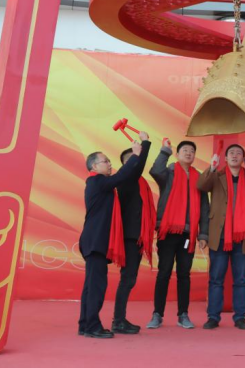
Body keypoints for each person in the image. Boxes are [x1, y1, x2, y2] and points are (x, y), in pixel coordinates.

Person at [77, 135, 147, 339]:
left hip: (94, 240)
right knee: (96, 286)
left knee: (91, 286)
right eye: (105, 161)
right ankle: (92, 326)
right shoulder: (97, 181)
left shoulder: (98, 183)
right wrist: (136, 155)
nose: (109, 164)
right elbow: (121, 176)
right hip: (96, 241)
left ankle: (85, 325)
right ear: (94, 166)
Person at [147, 139, 209, 330]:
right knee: (164, 273)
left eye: (192, 151)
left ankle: (183, 315)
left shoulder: (199, 178)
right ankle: (157, 314)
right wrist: (164, 151)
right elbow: (155, 170)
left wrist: (203, 234)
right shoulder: (168, 173)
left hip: (188, 234)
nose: (189, 153)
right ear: (177, 154)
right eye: (185, 150)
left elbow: (204, 208)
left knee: (184, 275)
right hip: (167, 231)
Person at [198, 144, 245, 330]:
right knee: (216, 279)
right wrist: (211, 167)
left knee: (240, 280)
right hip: (219, 235)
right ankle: (213, 317)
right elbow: (201, 185)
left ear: (243, 159)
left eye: (238, 153)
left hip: (242, 236)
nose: (234, 155)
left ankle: (240, 317)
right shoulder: (216, 176)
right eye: (231, 153)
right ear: (225, 158)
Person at [111, 138, 153, 335]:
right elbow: (137, 167)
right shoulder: (126, 179)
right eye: (131, 159)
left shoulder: (141, 184)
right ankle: (118, 320)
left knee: (129, 279)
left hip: (137, 236)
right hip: (129, 236)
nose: (135, 162)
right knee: (127, 279)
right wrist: (144, 144)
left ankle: (119, 319)